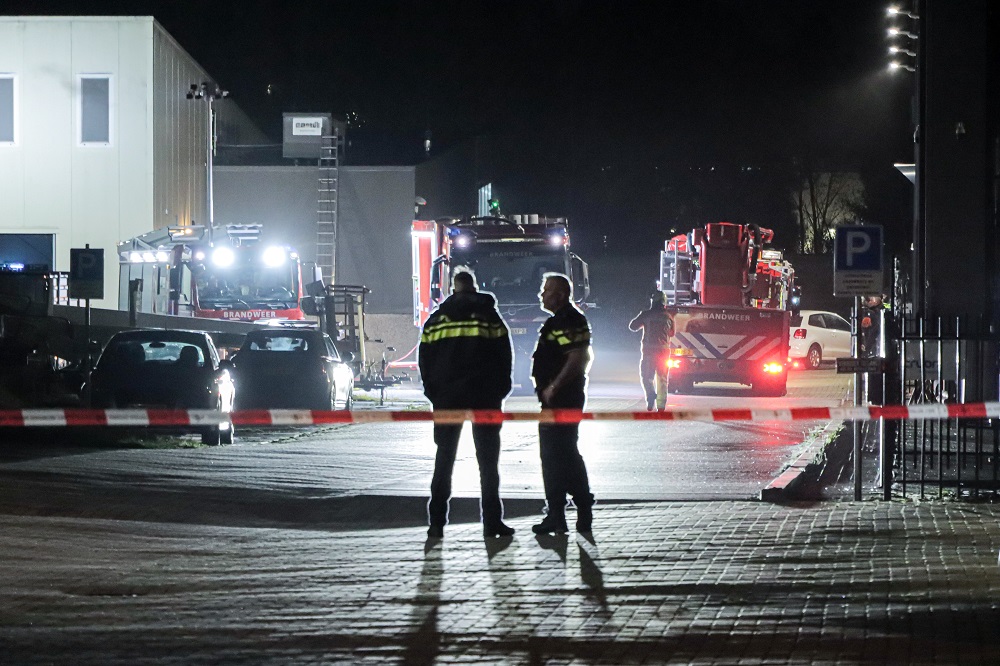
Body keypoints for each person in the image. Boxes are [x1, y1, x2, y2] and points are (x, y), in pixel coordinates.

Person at [418, 270, 515, 539]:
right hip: (485, 398)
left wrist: (433, 392)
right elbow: (504, 354)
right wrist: (500, 389)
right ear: (474, 288)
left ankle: (436, 522)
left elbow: (424, 359)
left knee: (444, 460)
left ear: (453, 289)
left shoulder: (436, 320)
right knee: (488, 463)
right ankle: (492, 523)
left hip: (447, 400)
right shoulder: (488, 316)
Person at [530, 273, 595, 534]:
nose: (541, 295)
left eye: (546, 290)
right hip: (560, 399)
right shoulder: (563, 320)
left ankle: (570, 510)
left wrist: (554, 387)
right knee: (560, 455)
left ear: (559, 294)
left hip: (561, 400)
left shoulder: (567, 321)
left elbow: (578, 357)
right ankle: (563, 512)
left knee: (560, 455)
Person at [629, 290, 675, 411]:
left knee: (646, 377)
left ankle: (650, 397)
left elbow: (632, 326)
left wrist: (641, 318)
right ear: (664, 302)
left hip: (649, 353)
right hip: (664, 353)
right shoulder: (669, 316)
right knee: (662, 379)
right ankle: (661, 406)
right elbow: (672, 333)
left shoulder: (646, 315)